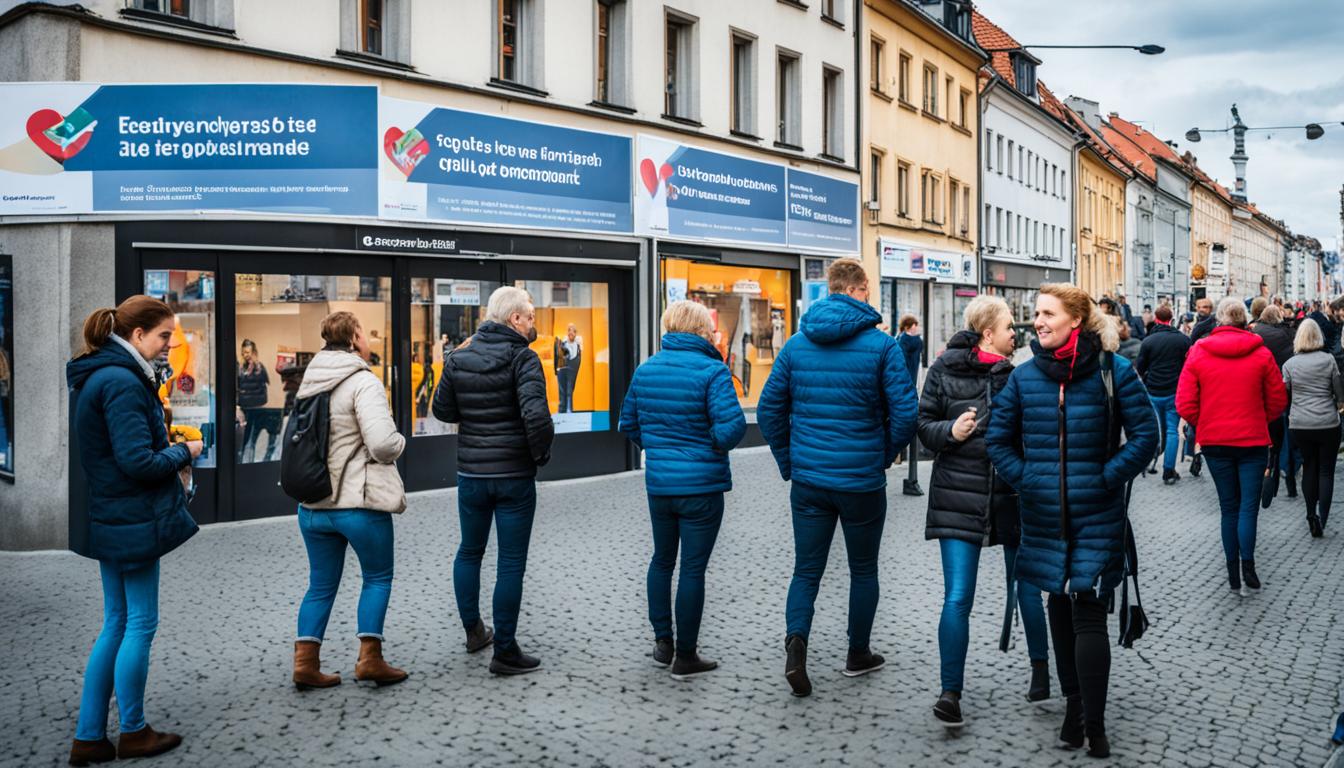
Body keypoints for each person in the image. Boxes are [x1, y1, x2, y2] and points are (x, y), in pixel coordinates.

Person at [985, 283, 1158, 759]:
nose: (1036, 321)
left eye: (1046, 314)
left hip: (1096, 513)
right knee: (1057, 604)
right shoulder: (1023, 378)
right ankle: (1073, 709)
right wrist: (1031, 480)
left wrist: (1107, 476)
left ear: (1075, 321)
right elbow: (998, 443)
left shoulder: (1114, 371)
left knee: (1085, 611)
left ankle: (1094, 725)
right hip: (1043, 515)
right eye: (1035, 314)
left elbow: (1148, 436)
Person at [757, 258, 917, 698]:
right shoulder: (881, 347)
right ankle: (857, 653)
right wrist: (882, 454)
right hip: (861, 480)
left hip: (810, 481)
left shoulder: (796, 345)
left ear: (831, 289)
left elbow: (769, 410)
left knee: (806, 570)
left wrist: (790, 460)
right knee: (863, 569)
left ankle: (796, 648)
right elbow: (906, 414)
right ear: (862, 288)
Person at [66, 296, 205, 765]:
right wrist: (185, 452)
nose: (170, 344)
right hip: (132, 517)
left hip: (111, 514)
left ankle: (89, 736)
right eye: (165, 335)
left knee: (116, 623)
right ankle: (134, 731)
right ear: (138, 335)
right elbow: (137, 461)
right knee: (139, 623)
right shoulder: (123, 382)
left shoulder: (99, 374)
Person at [918, 295, 1049, 729]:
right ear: (988, 332)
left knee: (1027, 587)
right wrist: (949, 431)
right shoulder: (943, 371)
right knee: (958, 597)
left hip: (1012, 496)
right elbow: (921, 428)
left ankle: (1041, 671)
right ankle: (949, 693)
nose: (1018, 333)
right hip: (959, 496)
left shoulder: (1019, 377)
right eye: (1011, 326)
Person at [618, 300, 746, 680]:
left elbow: (629, 424)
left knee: (661, 560)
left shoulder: (647, 369)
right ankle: (686, 656)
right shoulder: (712, 371)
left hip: (660, 484)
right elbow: (733, 428)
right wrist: (709, 444)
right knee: (692, 568)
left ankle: (663, 643)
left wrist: (659, 450)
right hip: (702, 486)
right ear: (700, 329)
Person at [432, 286, 555, 675]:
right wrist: (539, 455)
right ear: (515, 319)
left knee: (470, 551)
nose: (534, 323)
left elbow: (442, 409)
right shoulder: (524, 358)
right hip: (514, 476)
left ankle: (474, 631)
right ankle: (504, 651)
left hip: (471, 474)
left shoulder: (460, 356)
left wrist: (456, 363)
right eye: (531, 316)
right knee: (510, 562)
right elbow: (537, 418)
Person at [291, 311, 409, 691]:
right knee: (377, 577)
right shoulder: (362, 381)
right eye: (368, 333)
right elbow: (382, 444)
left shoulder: (309, 379)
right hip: (356, 504)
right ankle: (370, 659)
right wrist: (402, 441)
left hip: (312, 505)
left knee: (320, 586)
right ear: (356, 336)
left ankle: (305, 664)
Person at [1176, 298, 1287, 596]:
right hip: (1252, 440)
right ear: (1244, 322)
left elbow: (1184, 402)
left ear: (1219, 321)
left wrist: (1206, 422)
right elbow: (1278, 400)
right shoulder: (1261, 353)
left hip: (1215, 442)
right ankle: (1248, 565)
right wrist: (1258, 418)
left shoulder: (1199, 351)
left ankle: (1231, 570)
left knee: (1229, 508)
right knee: (1248, 508)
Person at [1281, 319, 1344, 538]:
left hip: (1300, 423)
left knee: (1309, 467)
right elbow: (1339, 394)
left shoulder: (1289, 365)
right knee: (1326, 470)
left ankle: (1310, 514)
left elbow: (1285, 397)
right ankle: (1323, 517)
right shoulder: (1328, 360)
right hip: (1328, 422)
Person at [1136, 305, 1191, 485]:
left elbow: (1141, 367)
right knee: (1172, 430)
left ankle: (1149, 462)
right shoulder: (1182, 341)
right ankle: (1168, 470)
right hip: (1174, 392)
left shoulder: (1148, 341)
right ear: (1171, 318)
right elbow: (1188, 366)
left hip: (1153, 391)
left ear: (1156, 318)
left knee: (1156, 430)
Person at [1251, 305, 1297, 499]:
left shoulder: (1254, 333)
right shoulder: (1287, 334)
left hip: (1259, 389)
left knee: (1262, 429)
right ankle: (1287, 471)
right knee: (1284, 430)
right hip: (1282, 389)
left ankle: (1265, 469)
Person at [237, 339, 274, 462]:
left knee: (254, 439)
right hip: (243, 409)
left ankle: (251, 463)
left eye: (248, 352)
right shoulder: (239, 368)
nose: (245, 355)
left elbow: (265, 386)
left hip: (258, 408)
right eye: (243, 352)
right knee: (244, 440)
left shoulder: (260, 368)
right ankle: (243, 463)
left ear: (254, 352)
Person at [554, 323, 583, 414]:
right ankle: (562, 410)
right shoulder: (563, 343)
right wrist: (556, 370)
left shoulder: (577, 346)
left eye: (573, 331)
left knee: (569, 390)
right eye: (569, 330)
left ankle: (569, 410)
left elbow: (578, 358)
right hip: (563, 370)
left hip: (572, 371)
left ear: (575, 333)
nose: (571, 333)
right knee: (562, 391)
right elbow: (558, 357)